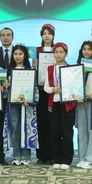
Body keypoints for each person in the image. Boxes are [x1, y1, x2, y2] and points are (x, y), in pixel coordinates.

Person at [44, 42, 77, 170]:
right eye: (56, 52)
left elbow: (75, 87)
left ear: (66, 54)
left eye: (61, 52)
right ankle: (56, 158)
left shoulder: (71, 69)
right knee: (54, 132)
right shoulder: (50, 69)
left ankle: (66, 159)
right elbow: (46, 87)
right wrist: (53, 89)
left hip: (67, 104)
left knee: (67, 132)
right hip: (54, 103)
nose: (58, 54)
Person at [6, 44, 36, 165]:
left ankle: (26, 155)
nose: (17, 56)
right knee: (15, 128)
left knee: (27, 128)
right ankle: (16, 155)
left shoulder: (30, 70)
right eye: (15, 54)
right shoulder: (9, 70)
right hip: (13, 103)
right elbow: (5, 88)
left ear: (25, 56)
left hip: (26, 104)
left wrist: (30, 99)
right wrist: (5, 87)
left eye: (20, 54)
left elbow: (34, 88)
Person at [74, 41, 92, 169]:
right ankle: (82, 157)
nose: (86, 51)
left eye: (89, 49)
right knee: (82, 130)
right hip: (80, 102)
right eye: (84, 49)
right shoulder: (76, 68)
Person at [35, 23, 56, 165]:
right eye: (44, 33)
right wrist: (34, 66)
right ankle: (42, 155)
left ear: (53, 35)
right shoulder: (35, 51)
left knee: (53, 123)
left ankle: (53, 153)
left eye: (49, 33)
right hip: (40, 91)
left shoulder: (58, 50)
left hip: (54, 92)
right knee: (41, 123)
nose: (47, 35)